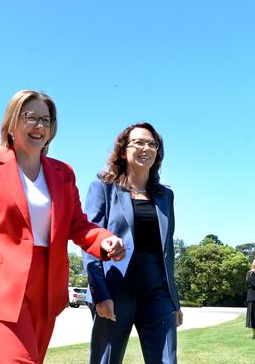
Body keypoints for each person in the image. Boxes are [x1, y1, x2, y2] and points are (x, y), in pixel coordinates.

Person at [0, 90, 125, 363]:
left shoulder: (63, 173)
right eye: (31, 117)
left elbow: (78, 225)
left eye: (46, 119)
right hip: (1, 285)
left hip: (47, 288)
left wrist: (103, 240)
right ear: (12, 122)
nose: (39, 126)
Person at [82, 122, 182, 364]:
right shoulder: (103, 188)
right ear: (123, 149)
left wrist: (174, 301)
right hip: (116, 289)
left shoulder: (165, 196)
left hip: (157, 291)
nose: (145, 147)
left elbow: (167, 251)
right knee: (106, 361)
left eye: (151, 143)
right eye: (138, 142)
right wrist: (99, 293)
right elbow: (89, 241)